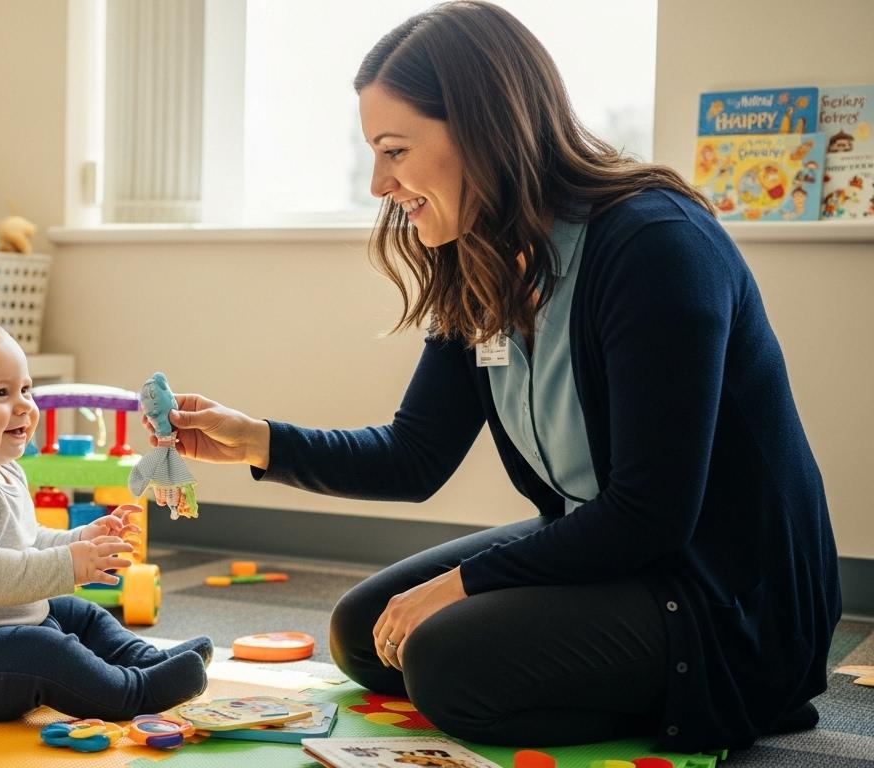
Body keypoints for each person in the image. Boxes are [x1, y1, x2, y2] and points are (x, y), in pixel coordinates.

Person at [151, 0, 839, 753]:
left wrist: (466, 584)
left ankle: (729, 699)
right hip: (609, 547)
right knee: (364, 633)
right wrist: (257, 440)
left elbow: (653, 514)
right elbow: (415, 456)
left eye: (394, 150)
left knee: (446, 662)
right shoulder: (481, 256)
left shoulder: (656, 246)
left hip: (716, 587)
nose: (379, 184)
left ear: (482, 129)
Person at [0, 312, 210, 722]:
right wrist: (69, 564)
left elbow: (27, 542)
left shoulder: (4, 470)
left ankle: (144, 660)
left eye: (25, 389)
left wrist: (79, 540)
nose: (24, 405)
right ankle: (133, 692)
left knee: (79, 613)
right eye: (0, 393)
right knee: (45, 652)